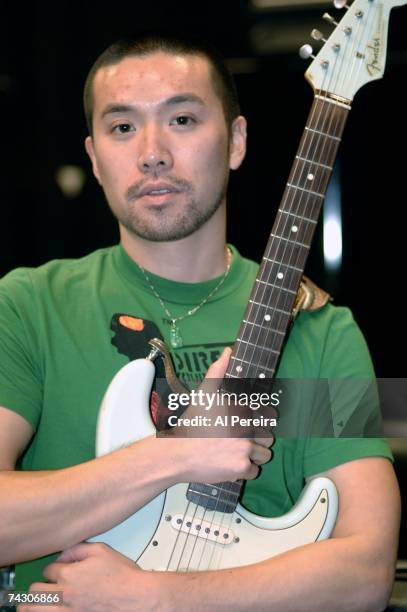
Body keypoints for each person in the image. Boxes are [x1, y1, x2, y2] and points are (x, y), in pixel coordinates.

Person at [0, 34, 400, 611]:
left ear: (236, 141)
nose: (153, 152)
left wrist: (158, 598)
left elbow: (365, 573)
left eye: (182, 119)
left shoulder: (322, 331)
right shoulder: (29, 307)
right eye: (122, 127)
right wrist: (178, 455)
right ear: (93, 157)